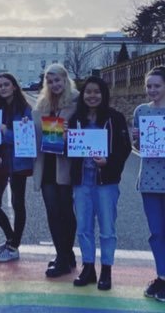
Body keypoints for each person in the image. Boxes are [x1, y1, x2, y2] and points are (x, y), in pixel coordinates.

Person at [68, 76, 131, 290]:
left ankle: (106, 269)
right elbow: (67, 151)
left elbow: (125, 149)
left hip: (106, 181)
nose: (92, 96)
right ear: (82, 95)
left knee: (107, 228)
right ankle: (88, 267)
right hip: (82, 181)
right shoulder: (75, 119)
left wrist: (108, 162)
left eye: (96, 92)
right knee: (84, 227)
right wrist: (64, 138)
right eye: (88, 92)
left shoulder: (115, 118)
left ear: (103, 95)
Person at [33, 63, 79, 277]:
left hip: (66, 164)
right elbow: (35, 134)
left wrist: (71, 132)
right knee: (52, 212)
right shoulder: (41, 104)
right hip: (46, 163)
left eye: (58, 80)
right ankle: (63, 254)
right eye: (50, 82)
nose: (54, 85)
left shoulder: (76, 102)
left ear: (65, 79)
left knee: (66, 212)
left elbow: (86, 130)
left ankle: (65, 255)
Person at [0, 73, 33, 263]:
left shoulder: (24, 109)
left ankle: (14, 246)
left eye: (6, 84)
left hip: (17, 162)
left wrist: (6, 131)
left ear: (14, 86)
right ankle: (11, 238)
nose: (3, 88)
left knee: (18, 203)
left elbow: (26, 140)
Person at [132, 66, 165, 302]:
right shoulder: (141, 111)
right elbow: (138, 147)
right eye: (149, 86)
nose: (152, 90)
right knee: (156, 233)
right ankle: (161, 276)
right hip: (150, 181)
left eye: (157, 85)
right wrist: (136, 138)